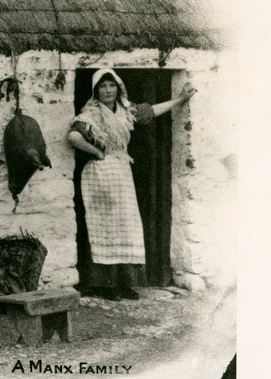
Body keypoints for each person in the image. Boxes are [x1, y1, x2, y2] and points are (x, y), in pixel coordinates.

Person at [67, 68, 196, 301]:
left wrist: (180, 99)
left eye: (112, 85)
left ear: (118, 87)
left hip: (121, 173)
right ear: (96, 91)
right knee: (104, 226)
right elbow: (74, 137)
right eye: (103, 86)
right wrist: (97, 152)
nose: (108, 90)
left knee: (126, 225)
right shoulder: (92, 113)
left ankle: (123, 284)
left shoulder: (126, 110)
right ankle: (105, 285)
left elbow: (151, 111)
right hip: (100, 174)